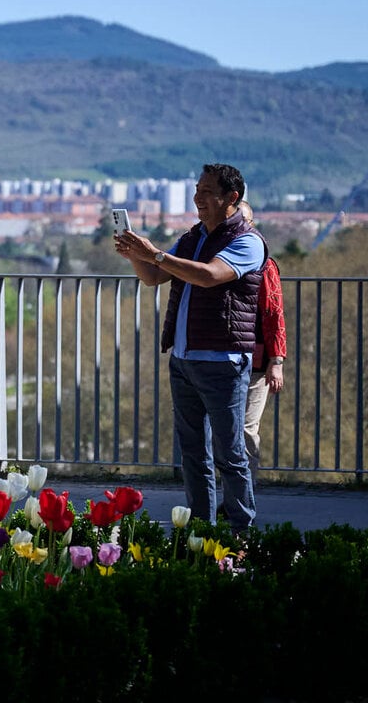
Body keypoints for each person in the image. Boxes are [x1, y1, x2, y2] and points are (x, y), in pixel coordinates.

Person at [113, 163, 266, 532]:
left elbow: (210, 275)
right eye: (197, 189)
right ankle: (201, 532)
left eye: (207, 191)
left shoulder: (247, 241)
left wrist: (157, 255)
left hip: (222, 363)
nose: (198, 198)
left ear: (231, 198)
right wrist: (136, 253)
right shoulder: (193, 237)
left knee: (230, 455)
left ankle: (240, 533)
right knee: (194, 456)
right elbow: (152, 278)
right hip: (183, 361)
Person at [238, 200, 285, 479]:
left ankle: (245, 495)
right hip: (232, 355)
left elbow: (273, 312)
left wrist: (276, 360)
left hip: (256, 360)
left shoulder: (264, 264)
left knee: (245, 428)